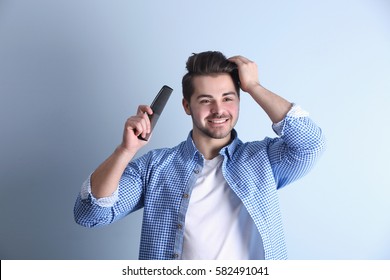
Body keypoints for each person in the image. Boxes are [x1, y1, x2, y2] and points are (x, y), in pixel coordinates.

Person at [74, 51, 325, 260]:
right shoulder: (154, 167)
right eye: (206, 100)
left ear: (239, 100)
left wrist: (254, 87)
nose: (219, 110)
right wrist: (125, 151)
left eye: (228, 98)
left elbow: (310, 144)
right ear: (186, 106)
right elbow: (90, 214)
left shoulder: (265, 159)